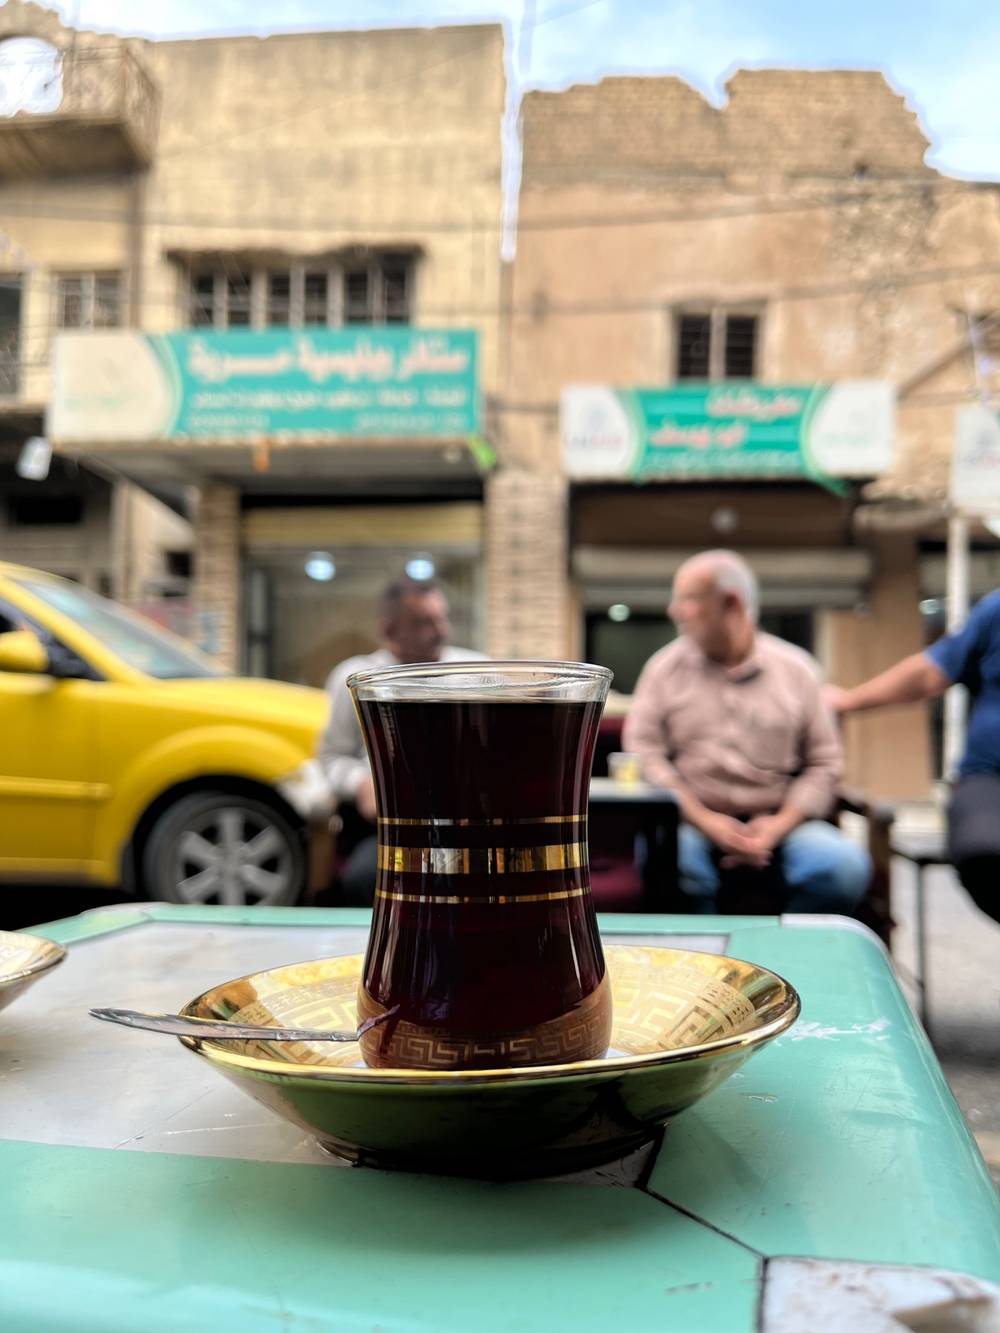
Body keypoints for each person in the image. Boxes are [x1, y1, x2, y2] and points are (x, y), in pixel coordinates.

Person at [623, 550, 870, 915]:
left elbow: (825, 762)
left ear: (731, 604)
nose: (674, 611)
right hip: (691, 820)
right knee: (675, 865)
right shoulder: (663, 669)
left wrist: (778, 825)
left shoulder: (797, 670)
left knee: (840, 868)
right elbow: (644, 754)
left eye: (688, 599)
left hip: (781, 822)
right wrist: (706, 821)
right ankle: (703, 968)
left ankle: (787, 963)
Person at [827, 592, 1000, 926]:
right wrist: (848, 701)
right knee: (983, 852)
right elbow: (930, 673)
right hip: (989, 777)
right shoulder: (996, 610)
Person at [317, 577, 482, 903]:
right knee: (365, 878)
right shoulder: (356, 678)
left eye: (441, 618)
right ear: (389, 631)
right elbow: (330, 757)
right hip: (387, 828)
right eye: (424, 622)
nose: (441, 630)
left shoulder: (477, 671)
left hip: (465, 821)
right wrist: (360, 783)